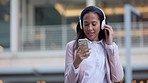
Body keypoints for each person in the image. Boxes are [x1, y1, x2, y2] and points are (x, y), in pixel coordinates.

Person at [64, 6, 124, 83]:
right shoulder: (72, 47)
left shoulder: (111, 47)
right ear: (81, 25)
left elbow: (118, 77)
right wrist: (76, 63)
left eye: (94, 24)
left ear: (102, 24)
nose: (90, 28)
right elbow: (68, 82)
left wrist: (109, 46)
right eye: (86, 24)